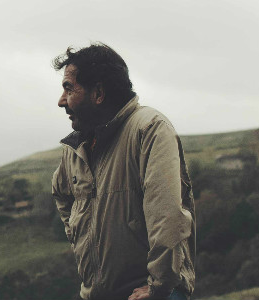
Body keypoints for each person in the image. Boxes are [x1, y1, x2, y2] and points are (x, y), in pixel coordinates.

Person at [51, 43, 195, 300]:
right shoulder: (75, 147)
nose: (61, 101)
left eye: (69, 88)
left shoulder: (149, 128)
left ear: (98, 93)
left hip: (150, 293)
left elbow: (167, 215)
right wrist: (79, 233)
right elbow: (62, 194)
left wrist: (159, 286)